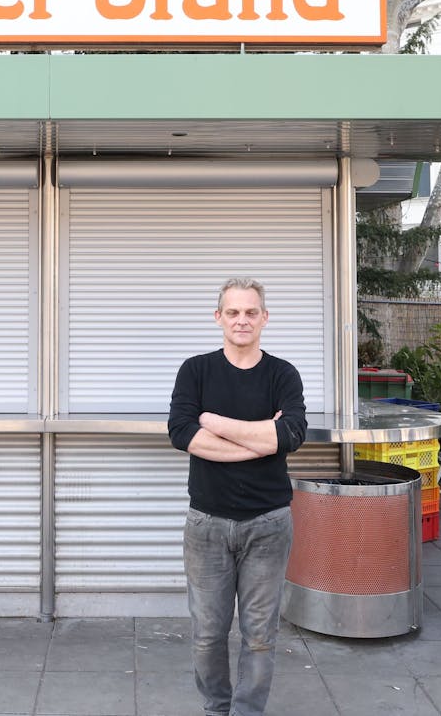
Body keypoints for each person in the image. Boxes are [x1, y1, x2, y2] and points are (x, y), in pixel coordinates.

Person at [167, 277, 307, 716]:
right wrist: (260, 439)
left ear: (264, 318)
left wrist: (214, 421)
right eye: (233, 312)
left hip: (268, 523)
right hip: (206, 524)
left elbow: (291, 434)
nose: (241, 320)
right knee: (208, 632)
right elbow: (181, 432)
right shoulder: (196, 370)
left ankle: (247, 712)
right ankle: (216, 708)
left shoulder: (283, 374)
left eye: (250, 312)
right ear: (218, 318)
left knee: (260, 634)